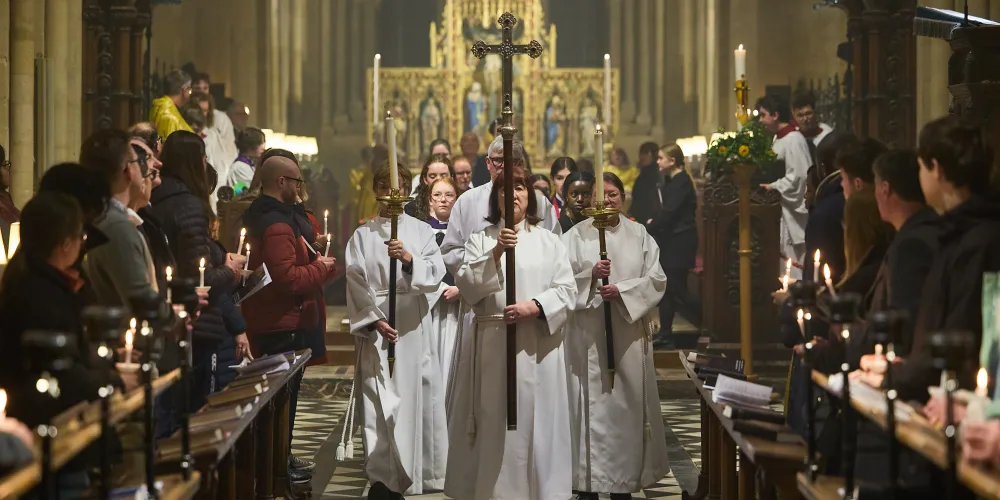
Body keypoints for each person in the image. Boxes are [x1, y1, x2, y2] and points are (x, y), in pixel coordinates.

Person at [445, 165, 577, 500]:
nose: (514, 194)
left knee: (537, 425)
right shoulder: (480, 240)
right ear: (496, 198)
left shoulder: (549, 241)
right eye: (506, 189)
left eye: (520, 188)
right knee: (494, 423)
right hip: (492, 345)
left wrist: (535, 306)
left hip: (537, 345)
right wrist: (497, 252)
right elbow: (468, 284)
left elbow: (567, 290)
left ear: (530, 196)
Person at [864, 116, 1000, 419]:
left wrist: (896, 378)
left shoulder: (976, 239)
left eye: (922, 168)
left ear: (936, 169)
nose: (920, 176)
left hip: (960, 405)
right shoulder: (958, 231)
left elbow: (960, 330)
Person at [0, 192, 120, 498]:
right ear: (65, 243)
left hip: (48, 426)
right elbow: (62, 370)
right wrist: (111, 380)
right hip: (49, 431)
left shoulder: (34, 281)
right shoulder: (41, 295)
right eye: (80, 236)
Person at [562, 172, 668, 500]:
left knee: (625, 411)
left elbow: (657, 279)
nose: (607, 200)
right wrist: (589, 277)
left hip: (628, 338)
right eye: (601, 194)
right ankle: (589, 485)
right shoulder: (575, 236)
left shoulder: (639, 234)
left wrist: (621, 291)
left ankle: (624, 484)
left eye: (613, 194)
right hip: (586, 339)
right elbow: (560, 282)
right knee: (589, 413)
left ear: (623, 198)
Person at [345, 161, 448, 498]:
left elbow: (435, 271)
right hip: (379, 328)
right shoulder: (363, 235)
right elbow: (355, 279)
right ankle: (382, 478)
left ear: (407, 190)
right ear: (376, 191)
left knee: (414, 399)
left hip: (413, 327)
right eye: (386, 185)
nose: (393, 192)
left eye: (400, 185)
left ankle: (415, 473)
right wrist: (374, 319)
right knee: (378, 402)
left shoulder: (420, 231)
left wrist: (407, 259)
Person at [242, 154, 338, 487]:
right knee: (281, 398)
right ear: (281, 182)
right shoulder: (277, 223)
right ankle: (274, 463)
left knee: (286, 396)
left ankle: (280, 455)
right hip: (282, 321)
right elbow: (287, 278)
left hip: (287, 318)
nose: (301, 187)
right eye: (297, 181)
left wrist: (314, 253)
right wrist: (321, 268)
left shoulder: (279, 218)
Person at [848, 149, 940, 491]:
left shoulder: (913, 243)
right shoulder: (919, 233)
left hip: (902, 389)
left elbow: (902, 319)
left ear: (884, 189)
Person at [147, 131, 248, 409]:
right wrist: (229, 269)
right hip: (198, 323)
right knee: (199, 410)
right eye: (203, 158)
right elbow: (198, 277)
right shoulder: (188, 205)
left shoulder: (154, 199)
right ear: (195, 162)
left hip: (174, 319)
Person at [440, 136, 560, 276]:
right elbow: (451, 250)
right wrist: (477, 271)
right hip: (482, 286)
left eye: (512, 161)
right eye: (498, 160)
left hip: (531, 281)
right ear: (488, 162)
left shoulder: (539, 202)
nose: (504, 166)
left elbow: (556, 247)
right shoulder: (467, 201)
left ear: (521, 164)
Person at [79, 129, 161, 313]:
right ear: (128, 170)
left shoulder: (102, 217)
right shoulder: (116, 226)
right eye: (138, 162)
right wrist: (172, 315)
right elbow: (140, 300)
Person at [648, 144, 700, 348]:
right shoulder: (672, 180)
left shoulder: (681, 182)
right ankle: (666, 334)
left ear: (672, 161)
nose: (658, 161)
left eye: (661, 158)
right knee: (667, 289)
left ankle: (708, 322)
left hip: (680, 242)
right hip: (672, 241)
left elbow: (670, 213)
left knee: (677, 289)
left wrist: (650, 226)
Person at [758, 95, 812, 279]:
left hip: (791, 212)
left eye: (763, 115)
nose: (760, 120)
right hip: (780, 209)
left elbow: (799, 176)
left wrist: (773, 186)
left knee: (794, 262)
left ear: (775, 115)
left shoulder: (794, 139)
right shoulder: (778, 138)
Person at [421, 177, 462, 404]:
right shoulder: (421, 231)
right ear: (430, 200)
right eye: (437, 195)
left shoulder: (465, 231)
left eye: (449, 195)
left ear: (456, 200)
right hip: (430, 306)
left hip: (457, 306)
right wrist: (437, 290)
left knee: (451, 360)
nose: (443, 200)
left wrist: (461, 289)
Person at [192, 73, 239, 170]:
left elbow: (229, 149)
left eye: (205, 88)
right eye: (197, 89)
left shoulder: (221, 118)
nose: (202, 92)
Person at [404, 154, 454, 221]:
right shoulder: (412, 208)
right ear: (425, 180)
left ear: (451, 178)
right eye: (433, 176)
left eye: (443, 175)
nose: (438, 179)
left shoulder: (461, 205)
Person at [149, 69, 194, 139]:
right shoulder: (169, 116)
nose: (190, 93)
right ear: (185, 90)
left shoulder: (160, 107)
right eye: (190, 90)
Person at [628, 142, 662, 234]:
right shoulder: (642, 175)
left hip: (652, 222)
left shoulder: (658, 175)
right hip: (640, 219)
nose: (642, 157)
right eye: (642, 153)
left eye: (647, 153)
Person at [227, 127, 266, 195]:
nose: (263, 147)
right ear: (250, 145)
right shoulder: (239, 167)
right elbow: (249, 191)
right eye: (260, 144)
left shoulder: (249, 164)